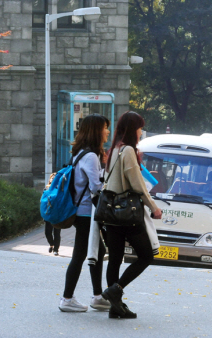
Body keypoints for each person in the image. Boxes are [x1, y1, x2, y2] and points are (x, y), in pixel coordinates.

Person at [101, 111, 162, 319]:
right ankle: (115, 290)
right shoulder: (127, 151)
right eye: (139, 127)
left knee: (115, 259)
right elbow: (137, 185)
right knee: (146, 255)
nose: (141, 131)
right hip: (127, 213)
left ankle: (114, 307)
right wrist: (153, 207)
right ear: (132, 129)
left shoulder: (115, 149)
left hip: (111, 214)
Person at [59, 114, 112, 312]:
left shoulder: (80, 153)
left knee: (96, 252)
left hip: (83, 212)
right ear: (96, 130)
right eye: (105, 127)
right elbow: (96, 187)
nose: (107, 131)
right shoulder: (90, 156)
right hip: (85, 213)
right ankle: (67, 298)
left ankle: (97, 296)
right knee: (81, 254)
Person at [43, 172, 61, 256]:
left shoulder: (60, 188)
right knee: (47, 232)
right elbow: (43, 202)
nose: (53, 179)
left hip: (57, 214)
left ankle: (56, 249)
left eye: (55, 178)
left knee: (57, 232)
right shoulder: (46, 189)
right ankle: (51, 244)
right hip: (48, 213)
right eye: (52, 177)